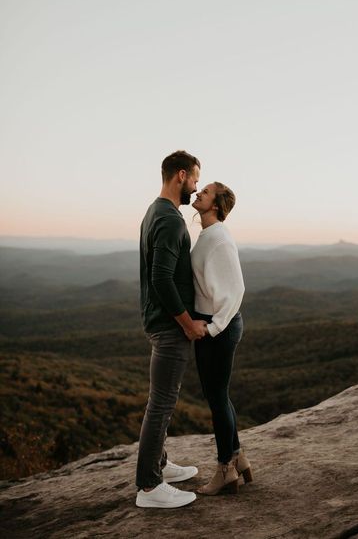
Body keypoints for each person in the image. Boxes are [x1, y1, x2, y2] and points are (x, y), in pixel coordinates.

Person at [135, 150, 208, 509]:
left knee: (161, 400)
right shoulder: (171, 220)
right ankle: (149, 487)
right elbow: (161, 278)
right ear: (181, 175)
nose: (195, 188)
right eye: (195, 179)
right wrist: (188, 323)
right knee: (161, 404)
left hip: (158, 321)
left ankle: (160, 465)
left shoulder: (155, 212)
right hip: (169, 326)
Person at [191, 182, 252, 495]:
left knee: (216, 398)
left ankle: (225, 469)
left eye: (206, 192)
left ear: (215, 205)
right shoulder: (209, 235)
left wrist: (211, 328)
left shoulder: (219, 238)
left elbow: (236, 290)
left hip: (218, 327)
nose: (199, 193)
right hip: (212, 324)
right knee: (219, 395)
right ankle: (238, 456)